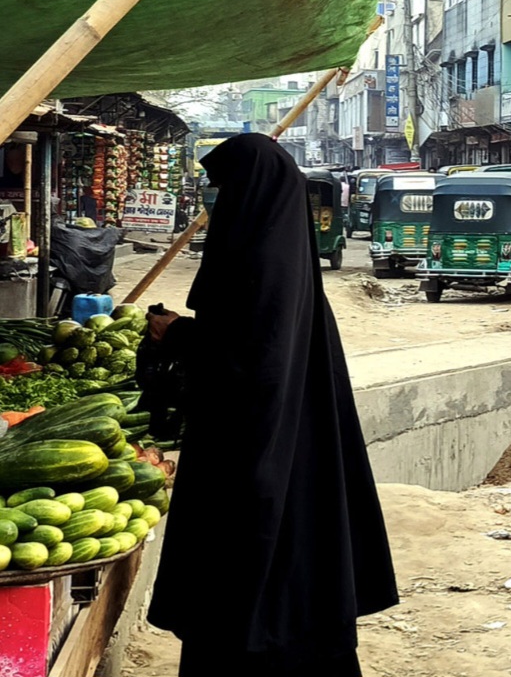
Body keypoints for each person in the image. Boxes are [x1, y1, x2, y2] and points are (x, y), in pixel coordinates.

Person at [145, 134, 398, 676]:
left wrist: (183, 338)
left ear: (249, 190)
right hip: (293, 451)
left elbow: (251, 359)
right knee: (292, 577)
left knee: (249, 581)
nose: (216, 201)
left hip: (256, 454)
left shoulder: (262, 259)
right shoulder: (284, 256)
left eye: (222, 188)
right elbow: (251, 340)